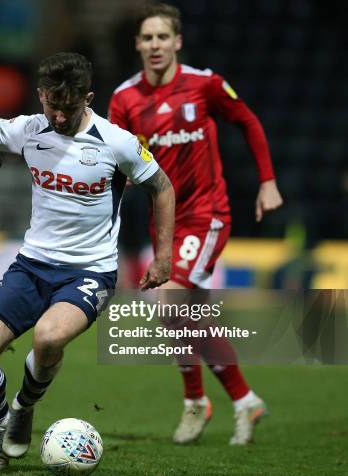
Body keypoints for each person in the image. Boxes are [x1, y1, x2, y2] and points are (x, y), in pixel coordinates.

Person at [0, 51, 175, 470]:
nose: (59, 116)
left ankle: (23, 407)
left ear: (88, 98)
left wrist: (163, 255)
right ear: (40, 95)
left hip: (90, 270)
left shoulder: (117, 142)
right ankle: (1, 423)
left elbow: (162, 188)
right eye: (52, 105)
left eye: (70, 107)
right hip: (31, 265)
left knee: (48, 338)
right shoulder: (27, 129)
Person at [108, 2, 283, 445]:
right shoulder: (124, 99)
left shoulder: (205, 85)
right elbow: (114, 160)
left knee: (169, 305)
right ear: (137, 44)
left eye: (162, 37)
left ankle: (196, 402)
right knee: (184, 316)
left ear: (177, 41)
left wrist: (267, 181)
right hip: (163, 221)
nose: (154, 45)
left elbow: (247, 121)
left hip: (206, 215)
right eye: (147, 38)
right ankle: (243, 400)